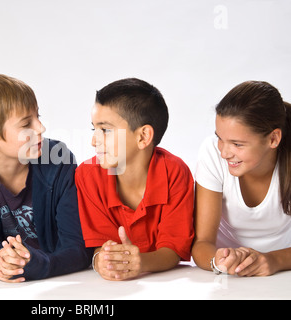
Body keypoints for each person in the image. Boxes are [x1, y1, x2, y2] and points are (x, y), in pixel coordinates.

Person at [0, 74, 92, 282]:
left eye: (37, 116)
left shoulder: (59, 160)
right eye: (26, 124)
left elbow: (77, 245)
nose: (41, 128)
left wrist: (42, 265)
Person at [76, 78, 194, 281]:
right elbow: (99, 245)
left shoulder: (175, 172)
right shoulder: (88, 176)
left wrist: (141, 262)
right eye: (93, 129)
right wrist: (100, 262)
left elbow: (173, 250)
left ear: (143, 137)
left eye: (105, 130)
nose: (94, 140)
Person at [193, 80, 291, 277]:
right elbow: (202, 243)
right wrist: (217, 261)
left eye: (237, 144)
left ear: (273, 139)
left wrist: (274, 260)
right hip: (227, 279)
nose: (224, 153)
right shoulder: (211, 152)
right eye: (220, 138)